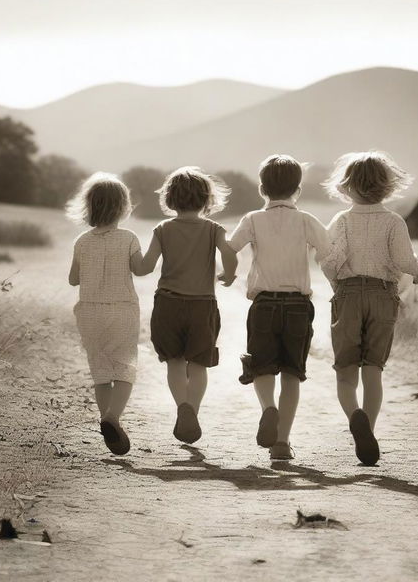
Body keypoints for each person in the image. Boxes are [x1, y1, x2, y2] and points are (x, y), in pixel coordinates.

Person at [321, 151, 418, 466]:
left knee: (345, 372)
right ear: (387, 186)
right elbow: (405, 262)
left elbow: (329, 261)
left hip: (349, 295)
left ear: (346, 187)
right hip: (383, 295)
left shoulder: (342, 221)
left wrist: (336, 283)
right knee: (373, 370)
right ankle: (371, 429)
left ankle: (356, 419)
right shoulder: (393, 221)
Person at [228, 155, 329, 460]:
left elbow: (231, 247)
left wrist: (227, 273)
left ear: (262, 189)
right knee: (291, 373)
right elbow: (329, 250)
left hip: (264, 305)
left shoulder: (253, 219)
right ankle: (282, 442)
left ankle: (268, 409)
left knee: (262, 366)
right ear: (297, 189)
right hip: (298, 305)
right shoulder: (306, 220)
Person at [138, 166, 237, 445]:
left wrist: (130, 261)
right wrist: (229, 274)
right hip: (202, 305)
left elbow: (145, 267)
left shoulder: (162, 229)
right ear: (207, 200)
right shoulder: (214, 229)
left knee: (174, 362)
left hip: (168, 303)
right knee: (199, 365)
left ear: (170, 199)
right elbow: (229, 252)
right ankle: (192, 410)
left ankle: (182, 406)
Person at [67, 172, 142, 455]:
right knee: (124, 366)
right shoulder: (129, 238)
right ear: (123, 207)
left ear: (89, 206)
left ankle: (105, 419)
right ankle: (113, 418)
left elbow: (74, 279)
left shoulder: (82, 241)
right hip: (122, 310)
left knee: (100, 370)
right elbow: (140, 268)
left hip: (89, 312)